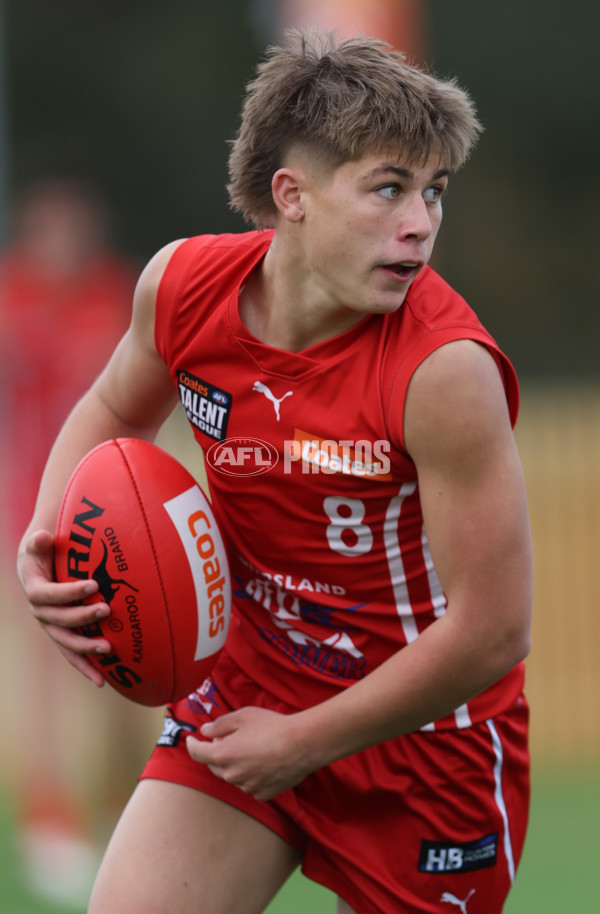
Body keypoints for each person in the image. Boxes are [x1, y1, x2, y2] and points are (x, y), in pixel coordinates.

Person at [16, 29, 533, 914]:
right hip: (248, 697)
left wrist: (305, 740)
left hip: (425, 748)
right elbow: (110, 410)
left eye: (433, 191)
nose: (421, 222)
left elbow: (493, 632)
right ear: (291, 196)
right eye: (388, 188)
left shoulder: (444, 370)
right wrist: (49, 534)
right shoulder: (181, 289)